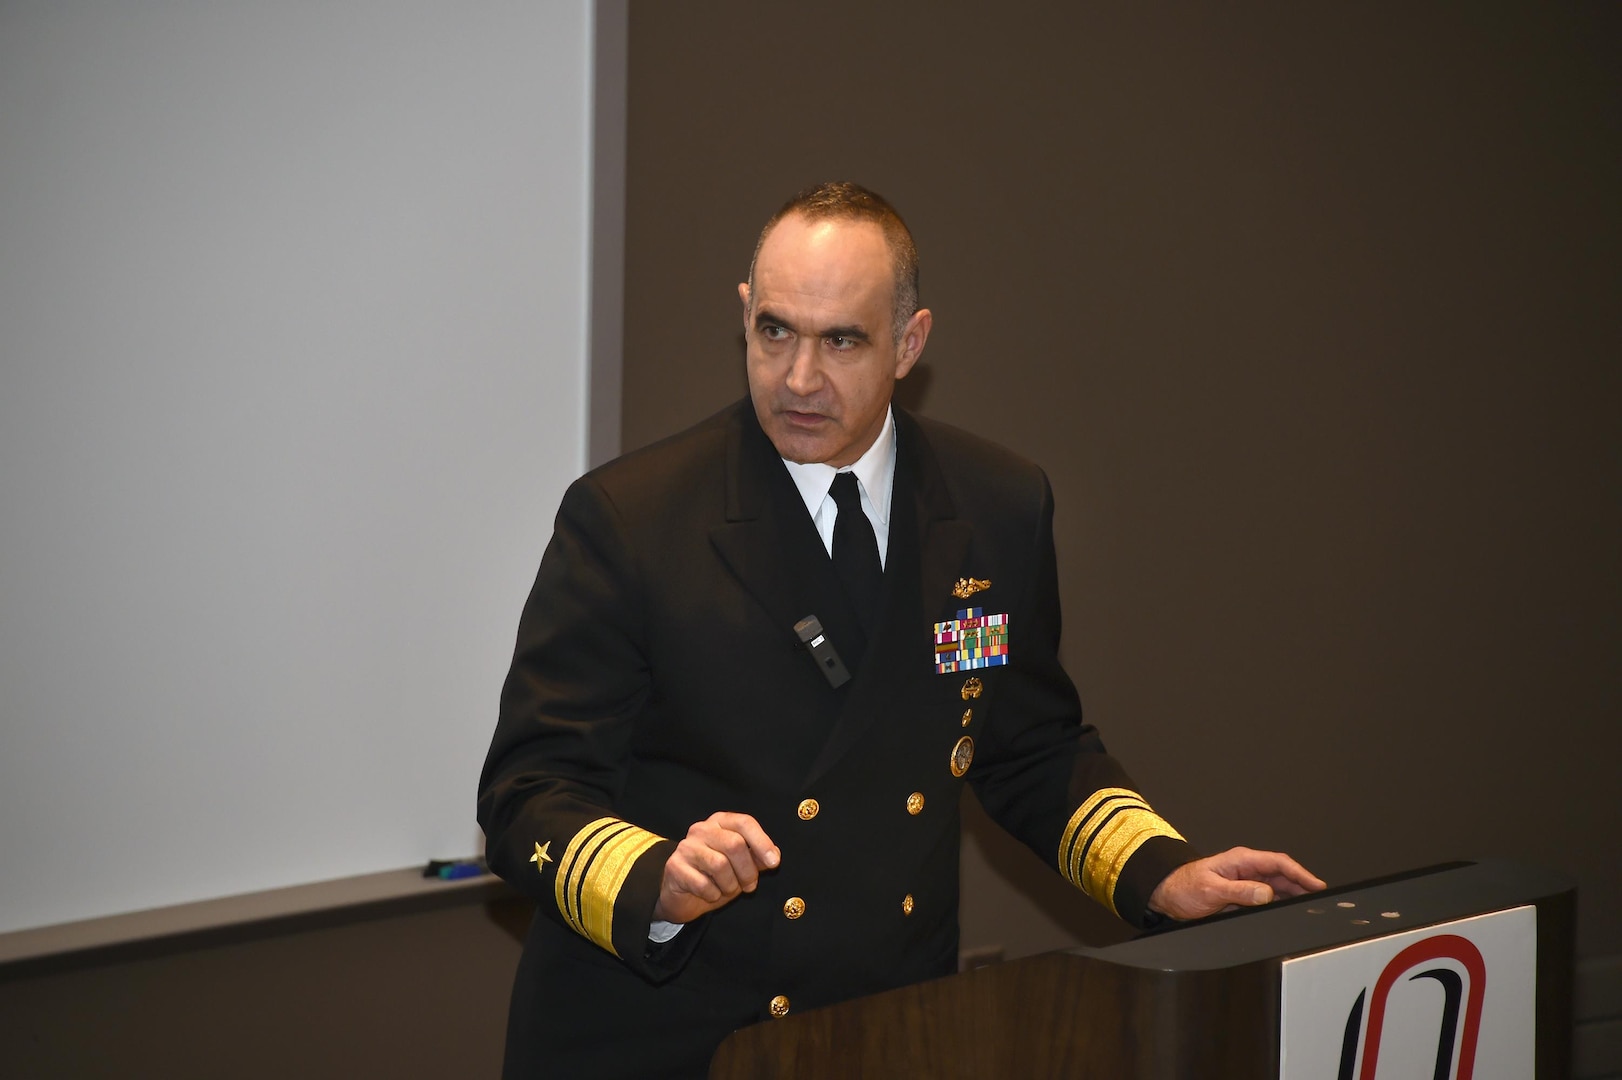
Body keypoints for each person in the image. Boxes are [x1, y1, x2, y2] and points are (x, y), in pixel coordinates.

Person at [477, 181, 1324, 1078]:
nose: (799, 379)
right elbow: (528, 792)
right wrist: (658, 879)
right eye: (774, 332)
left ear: (909, 344)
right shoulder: (632, 518)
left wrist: (1159, 871)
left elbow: (1031, 747)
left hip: (884, 1025)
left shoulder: (997, 503)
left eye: (842, 340)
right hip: (666, 1035)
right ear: (743, 315)